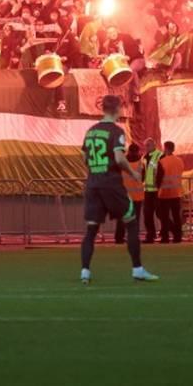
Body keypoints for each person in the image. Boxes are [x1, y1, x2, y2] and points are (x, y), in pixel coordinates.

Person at [78, 94, 158, 285]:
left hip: (93, 184)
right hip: (111, 184)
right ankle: (138, 269)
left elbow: (84, 157)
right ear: (117, 109)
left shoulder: (91, 131)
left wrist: (95, 170)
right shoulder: (116, 131)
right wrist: (133, 174)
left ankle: (85, 272)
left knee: (91, 230)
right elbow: (120, 158)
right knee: (130, 223)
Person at [113, 143, 144, 244]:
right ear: (138, 151)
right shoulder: (141, 162)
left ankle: (119, 238)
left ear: (128, 151)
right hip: (137, 196)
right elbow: (144, 177)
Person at [156, 141, 184, 243]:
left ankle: (165, 237)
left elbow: (159, 178)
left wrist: (157, 189)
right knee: (176, 216)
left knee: (164, 216)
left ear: (165, 148)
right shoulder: (179, 161)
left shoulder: (162, 161)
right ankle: (178, 237)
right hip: (177, 192)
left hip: (165, 193)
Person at [142, 138, 163, 242]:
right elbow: (145, 172)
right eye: (145, 145)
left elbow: (161, 172)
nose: (146, 148)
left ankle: (171, 231)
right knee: (147, 214)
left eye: (148, 145)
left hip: (157, 190)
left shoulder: (159, 155)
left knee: (160, 213)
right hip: (148, 190)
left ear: (154, 145)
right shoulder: (145, 157)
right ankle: (151, 235)